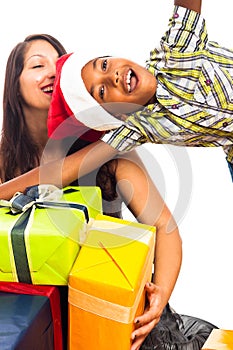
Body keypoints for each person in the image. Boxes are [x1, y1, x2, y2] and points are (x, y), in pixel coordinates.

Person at [0, 33, 183, 350]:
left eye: (57, 64)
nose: (51, 72)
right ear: (14, 87)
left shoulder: (112, 154)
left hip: (104, 319)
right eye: (36, 65)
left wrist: (160, 296)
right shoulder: (5, 159)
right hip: (30, 322)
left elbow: (166, 230)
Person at [46, 0, 233, 180]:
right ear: (117, 115)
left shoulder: (175, 54)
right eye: (101, 92)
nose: (113, 76)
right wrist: (16, 188)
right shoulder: (137, 127)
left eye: (104, 65)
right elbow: (75, 165)